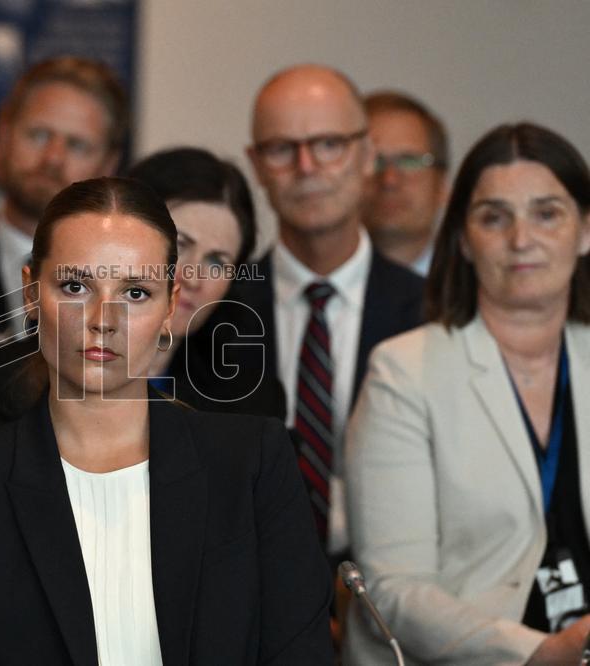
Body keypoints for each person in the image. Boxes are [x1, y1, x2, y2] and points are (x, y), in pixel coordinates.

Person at [0, 177, 333, 665]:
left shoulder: (251, 463)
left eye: (135, 292)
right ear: (29, 292)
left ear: (171, 305)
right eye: (74, 286)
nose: (102, 318)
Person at [344, 122, 590, 665]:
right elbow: (395, 589)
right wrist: (540, 653)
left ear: (586, 229)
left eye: (547, 213)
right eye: (493, 217)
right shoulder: (404, 372)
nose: (521, 239)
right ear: (462, 239)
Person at [241, 64, 424, 552]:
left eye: (328, 144)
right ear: (255, 164)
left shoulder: (433, 311)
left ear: (367, 155)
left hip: (392, 596)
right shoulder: (217, 310)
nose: (307, 167)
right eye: (282, 149)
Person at [0, 55, 127, 340]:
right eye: (39, 135)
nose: (53, 158)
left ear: (109, 163)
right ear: (3, 135)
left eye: (77, 145)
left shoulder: (136, 283)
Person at [127, 146, 285, 419]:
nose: (192, 277)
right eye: (177, 246)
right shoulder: (41, 380)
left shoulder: (250, 405)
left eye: (217, 263)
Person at [362, 90, 450, 276]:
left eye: (409, 161)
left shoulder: (479, 290)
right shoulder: (317, 291)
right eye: (373, 161)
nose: (389, 180)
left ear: (442, 185)